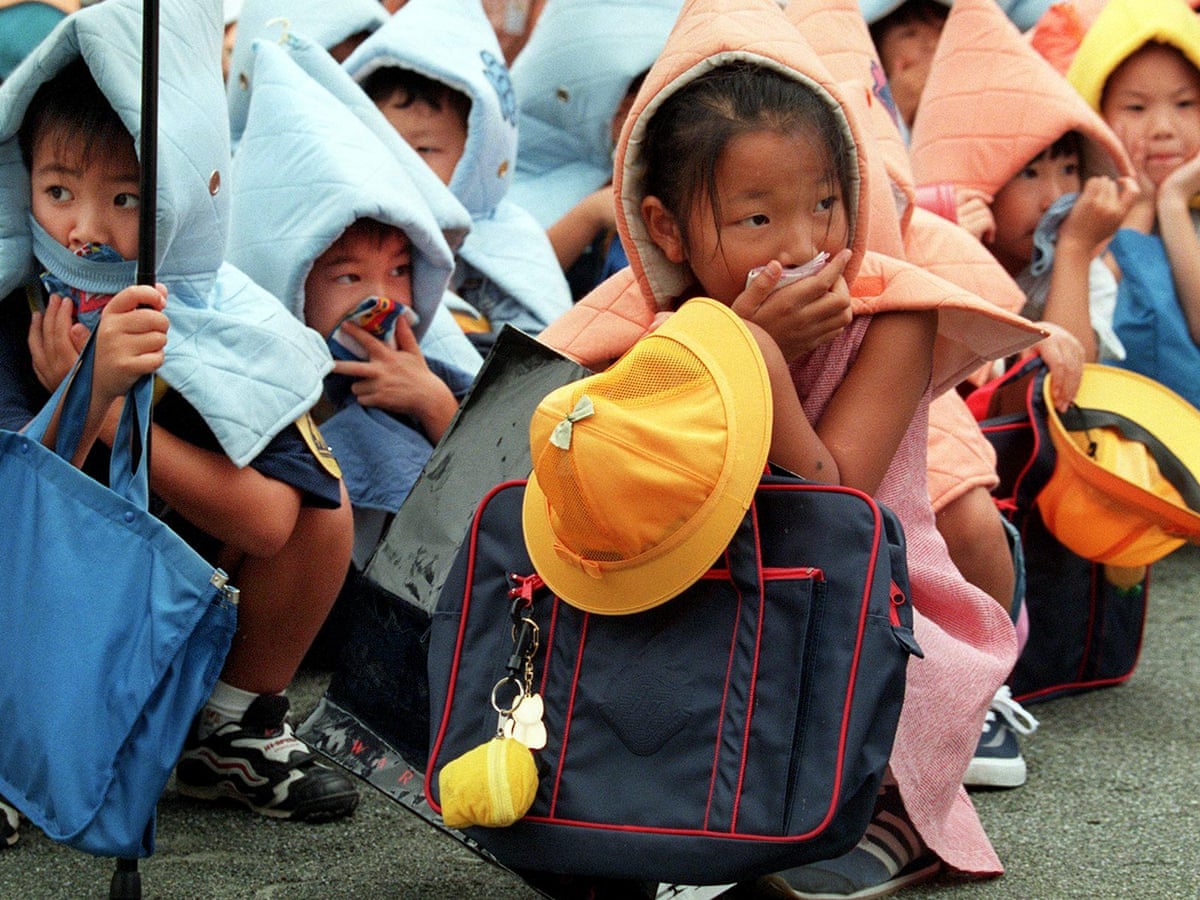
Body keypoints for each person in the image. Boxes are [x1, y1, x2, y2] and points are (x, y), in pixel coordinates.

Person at [537, 0, 1043, 896]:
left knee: (864, 734)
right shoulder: (644, 332)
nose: (809, 246)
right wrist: (716, 344)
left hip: (866, 603)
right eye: (758, 220)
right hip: (698, 599)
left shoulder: (892, 316)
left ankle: (899, 815)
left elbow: (834, 497)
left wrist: (758, 359)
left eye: (825, 204)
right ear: (666, 229)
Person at [0, 0, 359, 832]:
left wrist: (117, 405)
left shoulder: (218, 319)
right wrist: (74, 403)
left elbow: (272, 524)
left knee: (322, 511)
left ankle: (230, 728)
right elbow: (18, 523)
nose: (85, 230)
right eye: (58, 191)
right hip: (34, 609)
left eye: (127, 198)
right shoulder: (16, 303)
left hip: (158, 588)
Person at [791, 0, 1043, 791]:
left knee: (963, 514)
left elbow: (946, 264)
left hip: (906, 384)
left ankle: (981, 678)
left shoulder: (896, 203)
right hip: (786, 386)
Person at [225, 38, 476, 568]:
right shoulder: (235, 384)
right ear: (287, 281)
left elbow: (495, 501)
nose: (382, 299)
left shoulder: (435, 368)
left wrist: (433, 404)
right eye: (348, 276)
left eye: (401, 270)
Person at [909, 0, 1139, 387]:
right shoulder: (923, 250)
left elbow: (1067, 384)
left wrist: (1073, 252)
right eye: (1029, 173)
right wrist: (953, 252)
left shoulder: (1084, 267)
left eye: (1069, 170)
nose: (1054, 198)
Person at [344, 0, 572, 350]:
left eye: (425, 150)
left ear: (479, 156)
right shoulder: (347, 222)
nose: (404, 164)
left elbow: (541, 362)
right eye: (386, 143)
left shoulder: (509, 242)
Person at [1066, 0, 1200, 411]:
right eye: (1136, 108)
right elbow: (1088, 335)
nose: (1162, 129)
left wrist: (1174, 203)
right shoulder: (1078, 215)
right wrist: (1139, 210)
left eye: (1185, 104)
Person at [504, 0, 683, 299]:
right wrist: (592, 213)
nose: (636, 114)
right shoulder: (525, 174)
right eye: (628, 97)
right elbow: (508, 277)